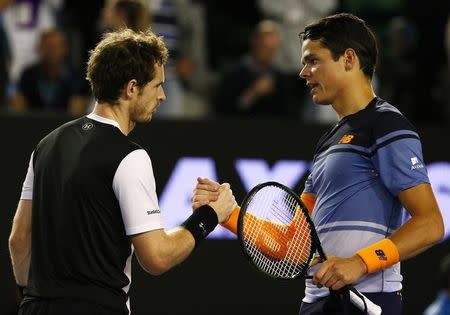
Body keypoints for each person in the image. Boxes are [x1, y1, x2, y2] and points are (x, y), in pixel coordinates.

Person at [193, 13, 444, 315]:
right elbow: (294, 243)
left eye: (313, 60)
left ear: (349, 59)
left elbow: (430, 223)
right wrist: (229, 213)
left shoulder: (387, 126)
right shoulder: (328, 142)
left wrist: (360, 262)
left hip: (366, 302)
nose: (303, 72)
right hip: (317, 303)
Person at [8, 28, 236, 315]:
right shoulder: (130, 156)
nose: (163, 96)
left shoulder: (47, 144)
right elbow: (157, 257)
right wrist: (210, 215)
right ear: (131, 88)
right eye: (157, 85)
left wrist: (29, 296)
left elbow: (19, 239)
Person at [216, 20, 291, 117]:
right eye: (263, 46)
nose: (267, 52)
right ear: (254, 43)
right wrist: (253, 93)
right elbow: (224, 111)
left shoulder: (281, 78)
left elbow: (287, 115)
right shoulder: (233, 74)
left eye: (271, 49)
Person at [9, 29, 90, 115]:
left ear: (64, 49)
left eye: (56, 47)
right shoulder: (28, 74)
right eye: (48, 46)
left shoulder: (75, 76)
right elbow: (20, 104)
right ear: (39, 48)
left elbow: (78, 106)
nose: (52, 51)